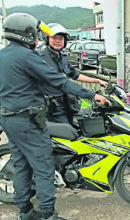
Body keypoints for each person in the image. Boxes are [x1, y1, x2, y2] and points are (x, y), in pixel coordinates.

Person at [0, 13, 108, 220]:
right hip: (29, 121)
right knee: (43, 168)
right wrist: (91, 95)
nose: (38, 39)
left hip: (9, 119)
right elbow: (59, 81)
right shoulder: (28, 56)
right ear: (27, 34)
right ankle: (48, 215)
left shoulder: (3, 55)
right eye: (36, 35)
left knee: (21, 165)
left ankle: (25, 212)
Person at [41, 23, 108, 124]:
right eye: (54, 38)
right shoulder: (40, 58)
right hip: (52, 108)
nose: (58, 41)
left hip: (68, 104)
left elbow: (75, 75)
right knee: (66, 134)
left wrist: (97, 80)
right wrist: (91, 95)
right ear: (47, 39)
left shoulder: (62, 57)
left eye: (61, 38)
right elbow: (63, 83)